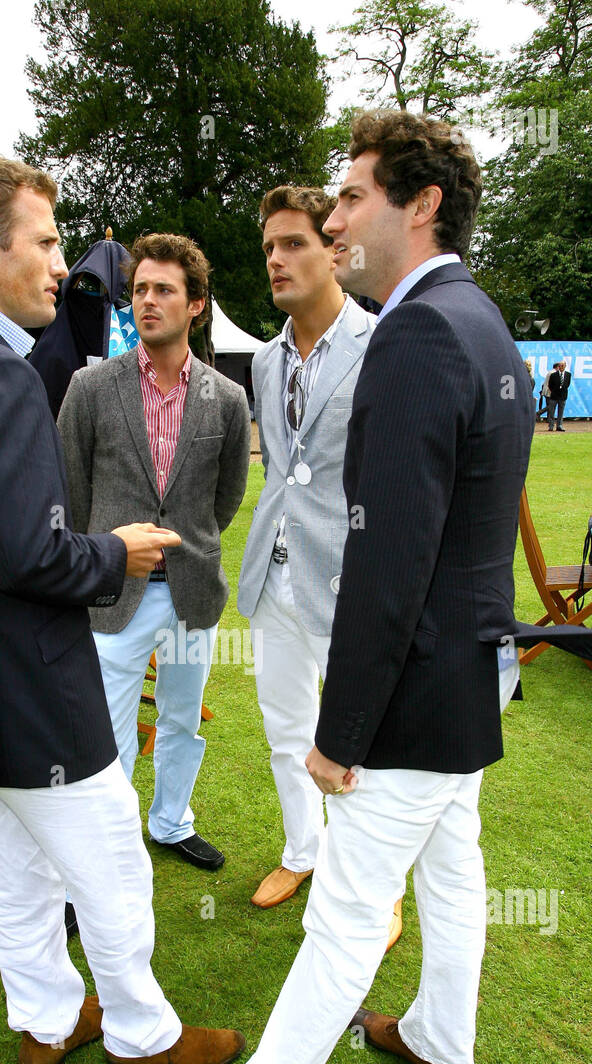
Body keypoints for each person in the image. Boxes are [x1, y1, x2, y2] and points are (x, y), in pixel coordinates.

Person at [149, 110, 592, 1064]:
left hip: (416, 689)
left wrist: (340, 730)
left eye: (352, 193)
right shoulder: (477, 317)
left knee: (350, 914)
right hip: (467, 673)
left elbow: (388, 557)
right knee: (453, 875)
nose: (335, 212)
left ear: (420, 204)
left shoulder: (414, 329)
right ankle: (437, 1039)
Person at [0, 156, 245, 1064]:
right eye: (43, 241)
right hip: (32, 695)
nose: (62, 265)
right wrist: (118, 551)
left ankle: (45, 1021)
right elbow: (33, 557)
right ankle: (142, 1034)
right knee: (115, 865)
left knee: (22, 873)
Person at [236, 185, 400, 947]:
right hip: (275, 576)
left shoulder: (385, 343)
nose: (276, 258)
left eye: (292, 243)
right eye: (268, 246)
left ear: (335, 251)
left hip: (349, 573)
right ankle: (303, 852)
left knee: (363, 738)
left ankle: (377, 885)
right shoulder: (265, 361)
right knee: (284, 729)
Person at [57, 233, 251, 872]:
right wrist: (102, 561)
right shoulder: (90, 387)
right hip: (114, 595)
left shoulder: (226, 397)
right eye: (139, 289)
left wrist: (187, 544)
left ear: (196, 303)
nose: (147, 300)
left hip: (192, 594)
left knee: (181, 722)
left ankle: (171, 823)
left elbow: (223, 501)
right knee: (106, 736)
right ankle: (106, 854)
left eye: (164, 289)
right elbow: (73, 492)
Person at [546, 359, 571, 431]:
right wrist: (554, 391)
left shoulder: (568, 375)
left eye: (563, 365)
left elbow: (567, 384)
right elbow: (550, 385)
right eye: (560, 365)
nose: (561, 367)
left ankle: (559, 425)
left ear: (565, 366)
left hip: (563, 396)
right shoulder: (553, 375)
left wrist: (562, 390)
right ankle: (551, 425)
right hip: (554, 396)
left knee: (561, 412)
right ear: (558, 366)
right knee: (551, 412)